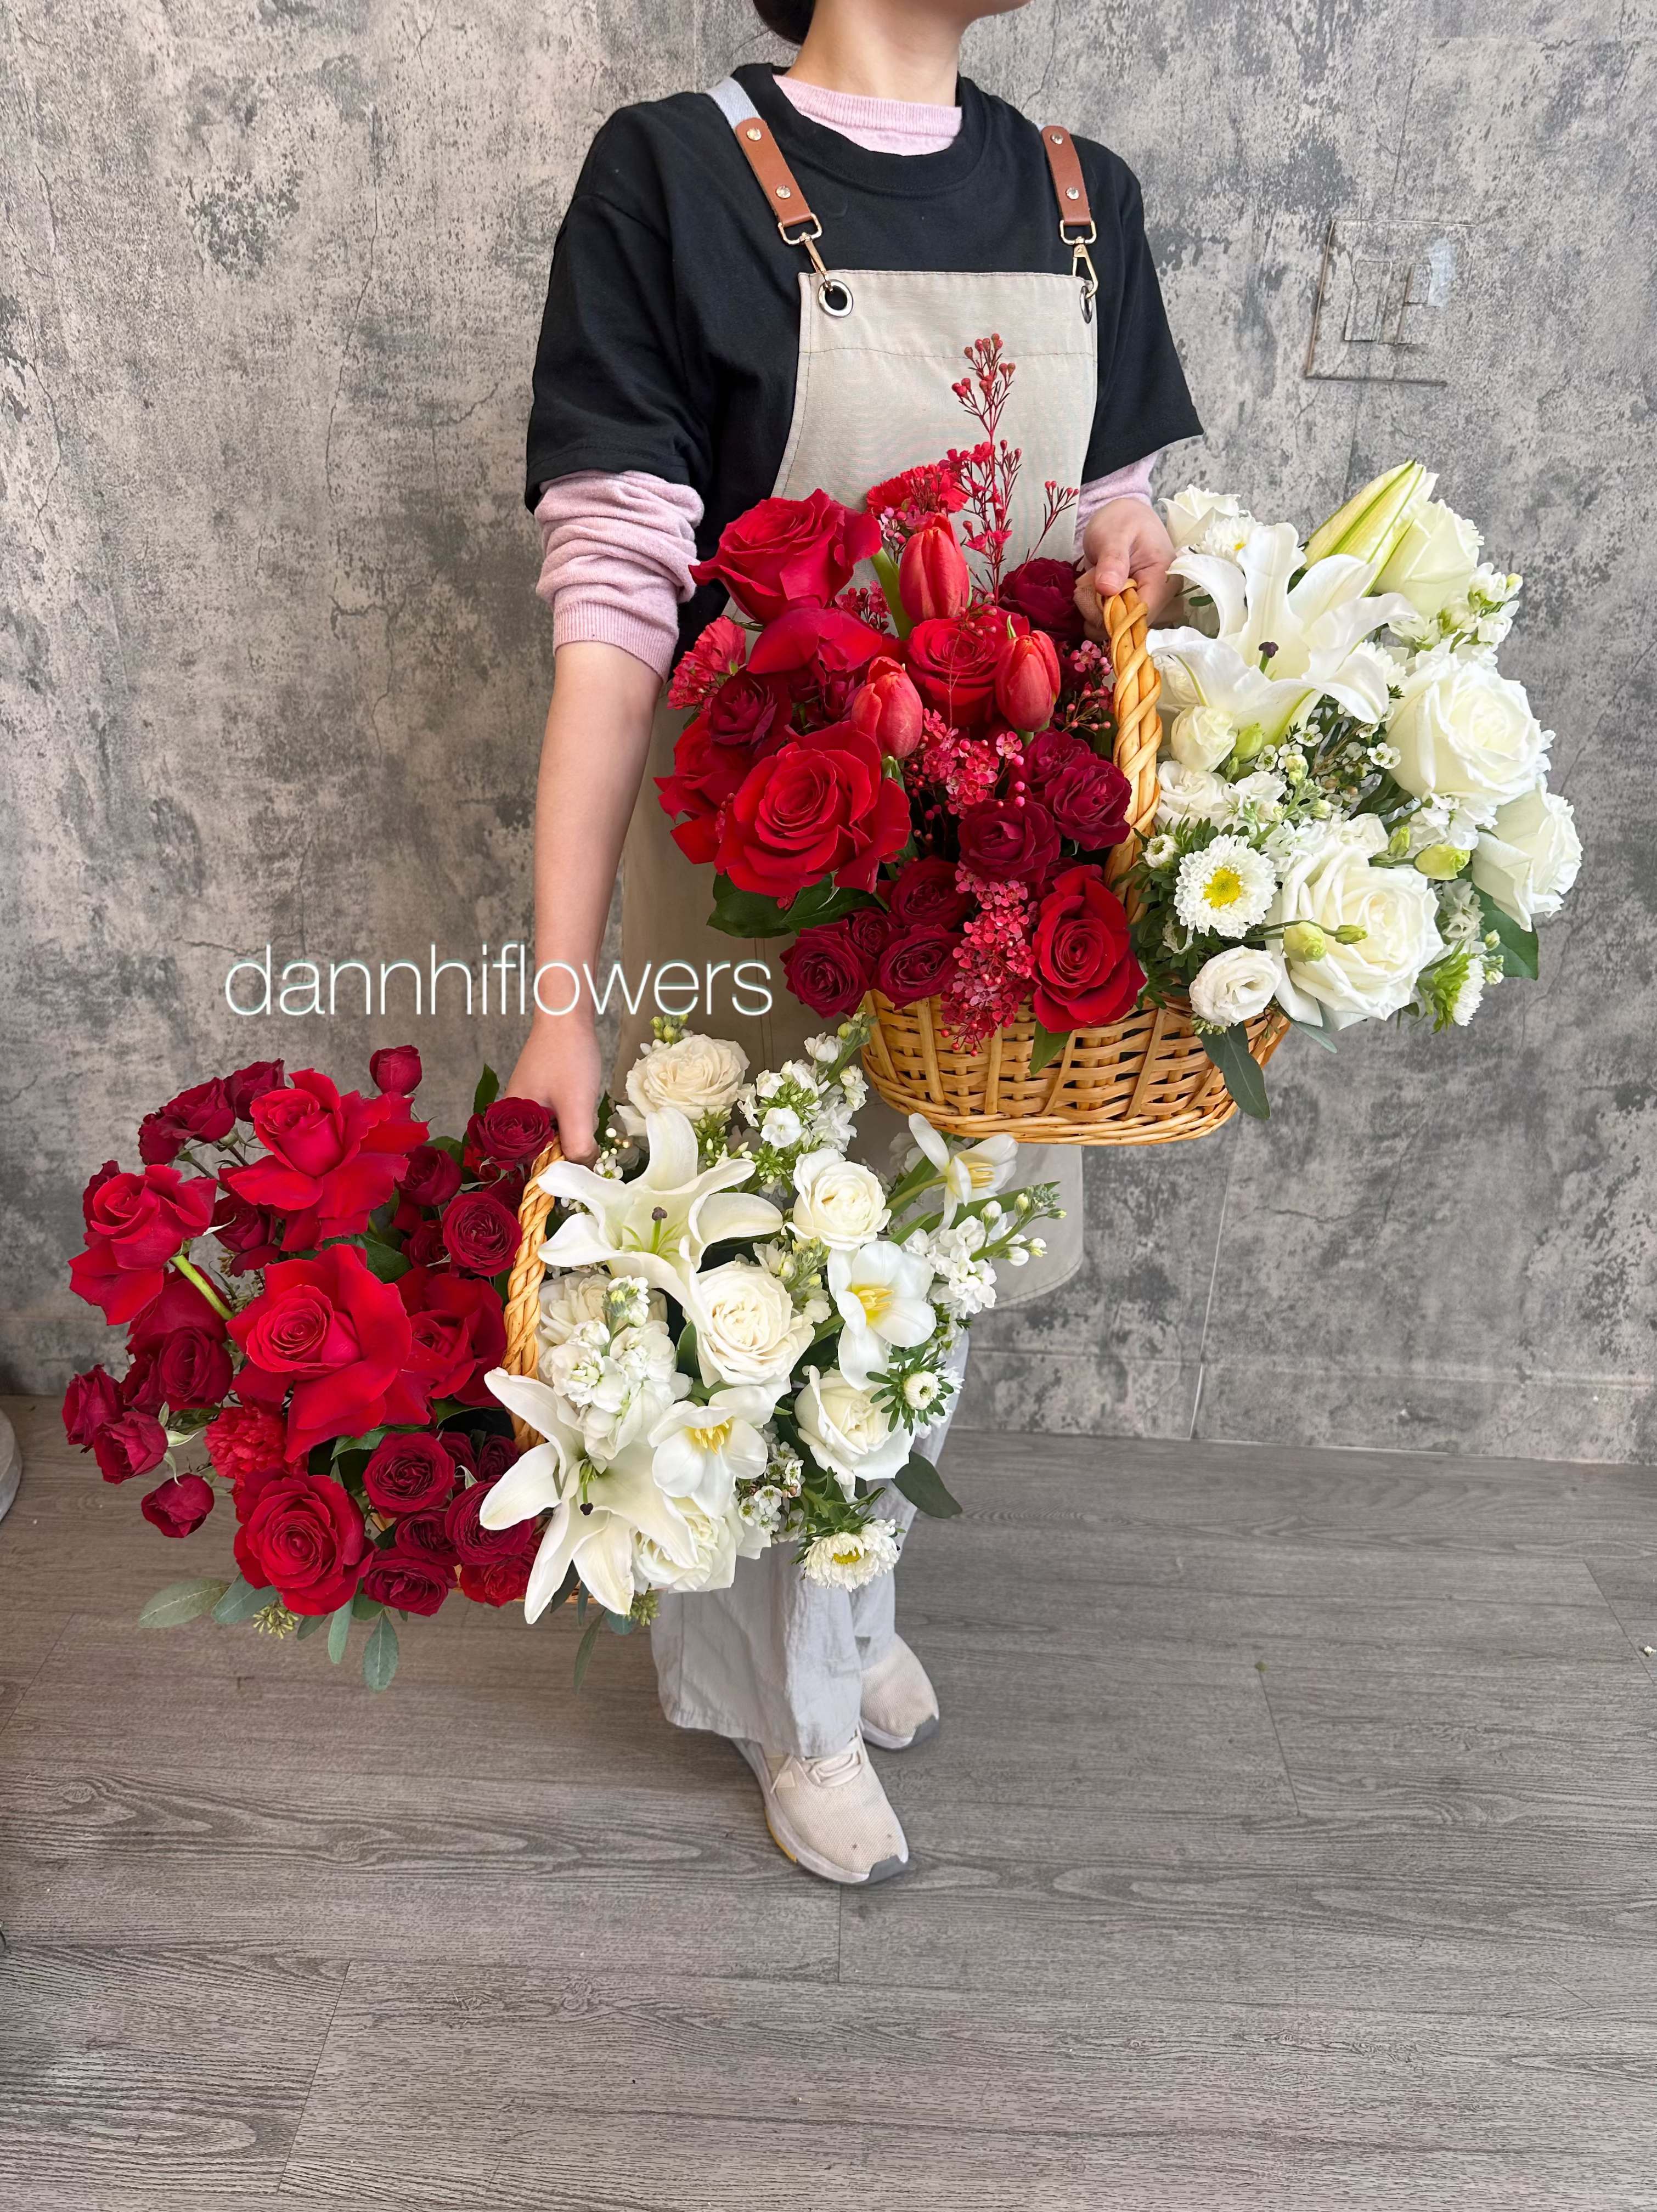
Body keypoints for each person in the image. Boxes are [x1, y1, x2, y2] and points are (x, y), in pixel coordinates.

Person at [508, 0, 1201, 1883]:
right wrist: (557, 994)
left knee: (923, 1281)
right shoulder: (672, 174)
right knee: (760, 1301)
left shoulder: (1083, 195)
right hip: (761, 886)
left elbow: (1115, 510)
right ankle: (787, 1706)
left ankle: (855, 1616)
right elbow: (613, 601)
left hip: (990, 890)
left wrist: (1139, 550)